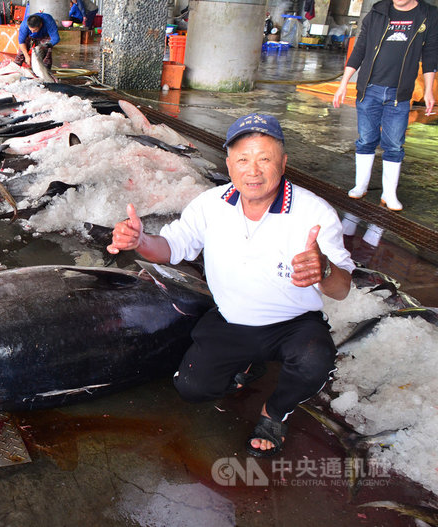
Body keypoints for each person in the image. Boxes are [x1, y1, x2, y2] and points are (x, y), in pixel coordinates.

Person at [107, 114, 354, 457]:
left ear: (283, 163)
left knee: (315, 359)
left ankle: (276, 412)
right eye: (243, 159)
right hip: (231, 320)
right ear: (228, 164)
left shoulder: (315, 212)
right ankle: (249, 364)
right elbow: (171, 248)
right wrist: (140, 241)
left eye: (264, 159)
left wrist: (324, 268)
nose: (253, 170)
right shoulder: (210, 205)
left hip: (293, 325)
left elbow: (342, 289)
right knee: (191, 388)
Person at [333, 0, 438, 211]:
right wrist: (343, 84)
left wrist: (428, 90)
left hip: (399, 94)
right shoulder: (378, 11)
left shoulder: (428, 15)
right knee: (366, 140)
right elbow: (360, 48)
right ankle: (360, 185)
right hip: (369, 89)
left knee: (394, 145)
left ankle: (389, 193)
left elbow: (430, 54)